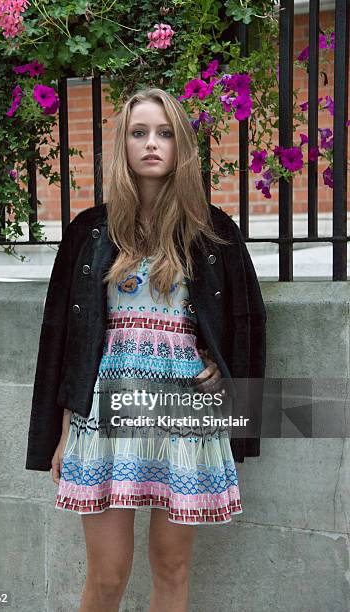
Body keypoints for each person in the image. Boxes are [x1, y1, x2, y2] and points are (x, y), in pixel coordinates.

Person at [25, 87, 267, 612]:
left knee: (173, 571)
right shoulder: (89, 231)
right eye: (139, 133)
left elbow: (246, 326)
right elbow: (63, 339)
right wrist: (62, 431)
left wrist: (222, 378)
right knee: (107, 578)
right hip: (104, 415)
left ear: (182, 146)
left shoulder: (214, 232)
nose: (151, 144)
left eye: (164, 133)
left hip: (184, 415)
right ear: (123, 145)